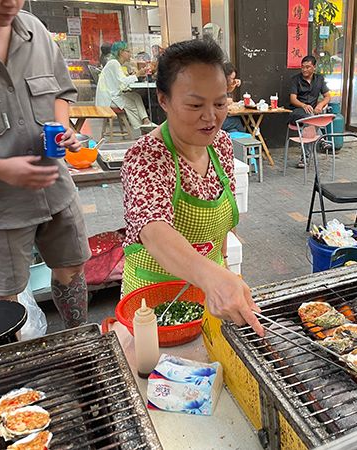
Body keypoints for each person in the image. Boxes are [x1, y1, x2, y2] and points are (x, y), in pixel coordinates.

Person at [120, 39, 264, 337]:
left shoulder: (222, 145)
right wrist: (212, 278)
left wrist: (226, 273)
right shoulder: (146, 156)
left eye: (220, 103)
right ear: (163, 100)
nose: (211, 117)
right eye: (195, 105)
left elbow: (222, 230)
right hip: (154, 308)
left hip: (210, 303)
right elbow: (154, 232)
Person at [0, 3, 90, 328]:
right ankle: (14, 370)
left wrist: (62, 129)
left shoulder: (35, 32)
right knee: (3, 295)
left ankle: (80, 341)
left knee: (71, 267)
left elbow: (61, 92)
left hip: (56, 188)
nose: (10, 3)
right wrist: (1, 169)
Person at [95, 41, 154, 130]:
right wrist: (137, 74)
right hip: (109, 100)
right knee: (132, 105)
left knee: (136, 96)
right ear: (121, 52)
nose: (130, 54)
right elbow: (123, 81)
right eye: (128, 51)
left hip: (111, 96)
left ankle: (146, 121)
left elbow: (119, 81)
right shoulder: (114, 63)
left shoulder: (114, 63)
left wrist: (134, 74)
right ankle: (141, 129)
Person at [289, 55, 331, 168]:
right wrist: (303, 105)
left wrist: (320, 105)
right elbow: (292, 99)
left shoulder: (319, 79)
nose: (304, 70)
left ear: (314, 67)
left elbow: (327, 96)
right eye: (302, 67)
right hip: (297, 112)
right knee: (309, 118)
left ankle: (305, 158)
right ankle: (322, 139)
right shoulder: (295, 79)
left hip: (313, 113)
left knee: (312, 120)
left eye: (307, 67)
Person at [221, 62, 245, 133]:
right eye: (232, 78)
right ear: (226, 76)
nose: (233, 80)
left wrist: (234, 84)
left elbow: (228, 90)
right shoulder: (217, 84)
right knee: (236, 121)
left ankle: (243, 142)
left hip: (221, 119)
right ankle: (247, 140)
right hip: (214, 122)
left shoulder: (223, 83)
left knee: (233, 131)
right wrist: (225, 101)